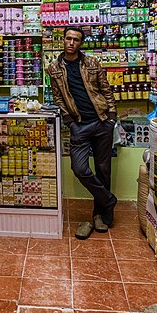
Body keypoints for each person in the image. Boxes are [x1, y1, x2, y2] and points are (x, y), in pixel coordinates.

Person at [47, 25, 118, 239]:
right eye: (68, 38)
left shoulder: (92, 63)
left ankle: (102, 215)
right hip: (79, 125)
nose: (71, 43)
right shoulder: (54, 68)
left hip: (102, 122)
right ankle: (109, 199)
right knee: (79, 168)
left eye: (76, 40)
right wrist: (70, 122)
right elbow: (58, 97)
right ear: (63, 40)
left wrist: (112, 116)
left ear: (81, 43)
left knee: (103, 169)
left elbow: (105, 89)